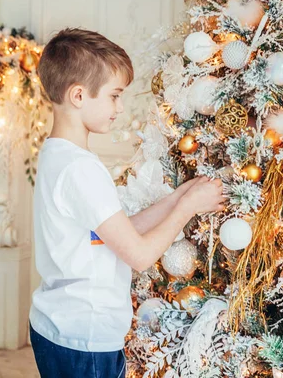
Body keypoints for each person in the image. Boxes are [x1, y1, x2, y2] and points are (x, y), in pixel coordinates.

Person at [30, 28, 225, 378]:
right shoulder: (80, 170)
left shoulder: (58, 155)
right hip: (84, 339)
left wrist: (179, 196)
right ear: (78, 95)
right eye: (114, 96)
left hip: (60, 326)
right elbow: (138, 254)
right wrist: (188, 208)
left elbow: (112, 233)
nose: (119, 108)